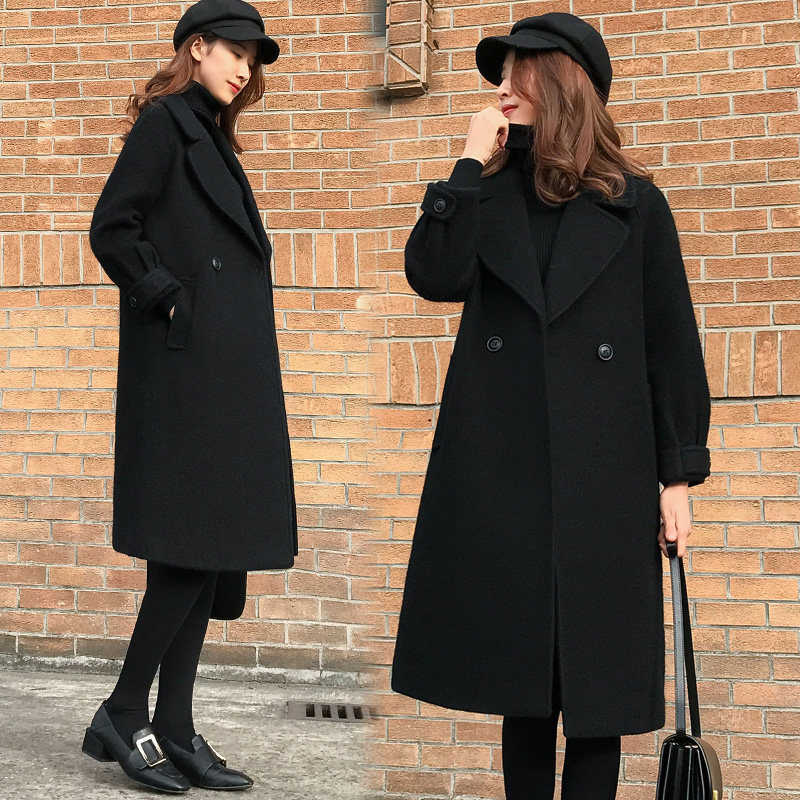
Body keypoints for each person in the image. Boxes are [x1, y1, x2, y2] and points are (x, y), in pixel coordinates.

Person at [390, 12, 712, 800]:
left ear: (562, 82)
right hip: (507, 474)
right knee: (524, 690)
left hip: (607, 474)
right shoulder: (484, 192)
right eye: (499, 76)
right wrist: (466, 166)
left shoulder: (636, 205)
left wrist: (676, 479)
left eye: (518, 73)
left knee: (599, 697)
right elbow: (433, 275)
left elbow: (671, 345)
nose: (502, 89)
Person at [81, 0, 295, 792]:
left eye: (253, 58)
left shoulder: (209, 135)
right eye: (234, 51)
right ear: (196, 47)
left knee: (208, 550)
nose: (245, 68)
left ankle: (173, 723)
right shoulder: (166, 124)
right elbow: (113, 227)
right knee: (190, 546)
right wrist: (168, 297)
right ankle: (124, 710)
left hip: (219, 375)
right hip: (185, 374)